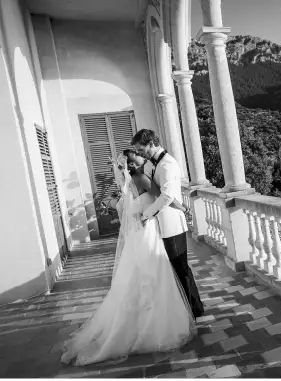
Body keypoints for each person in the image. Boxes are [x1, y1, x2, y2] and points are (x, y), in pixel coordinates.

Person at [60, 152, 196, 366]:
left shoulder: (126, 184)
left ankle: (135, 324)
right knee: (154, 276)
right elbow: (165, 198)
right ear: (134, 164)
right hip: (148, 234)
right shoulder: (141, 178)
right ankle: (154, 327)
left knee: (136, 279)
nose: (144, 159)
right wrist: (185, 208)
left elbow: (126, 209)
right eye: (139, 157)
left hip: (136, 237)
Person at [131, 129, 204, 319]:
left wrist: (147, 213)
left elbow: (167, 196)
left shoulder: (168, 164)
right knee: (171, 269)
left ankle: (194, 309)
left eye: (141, 149)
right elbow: (149, 187)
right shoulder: (150, 164)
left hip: (171, 224)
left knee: (181, 268)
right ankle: (185, 307)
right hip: (159, 224)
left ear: (152, 143)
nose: (140, 153)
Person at [122, 149, 187, 213]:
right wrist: (184, 209)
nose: (141, 154)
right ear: (131, 164)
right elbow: (164, 197)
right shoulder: (141, 178)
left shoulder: (133, 179)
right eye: (136, 154)